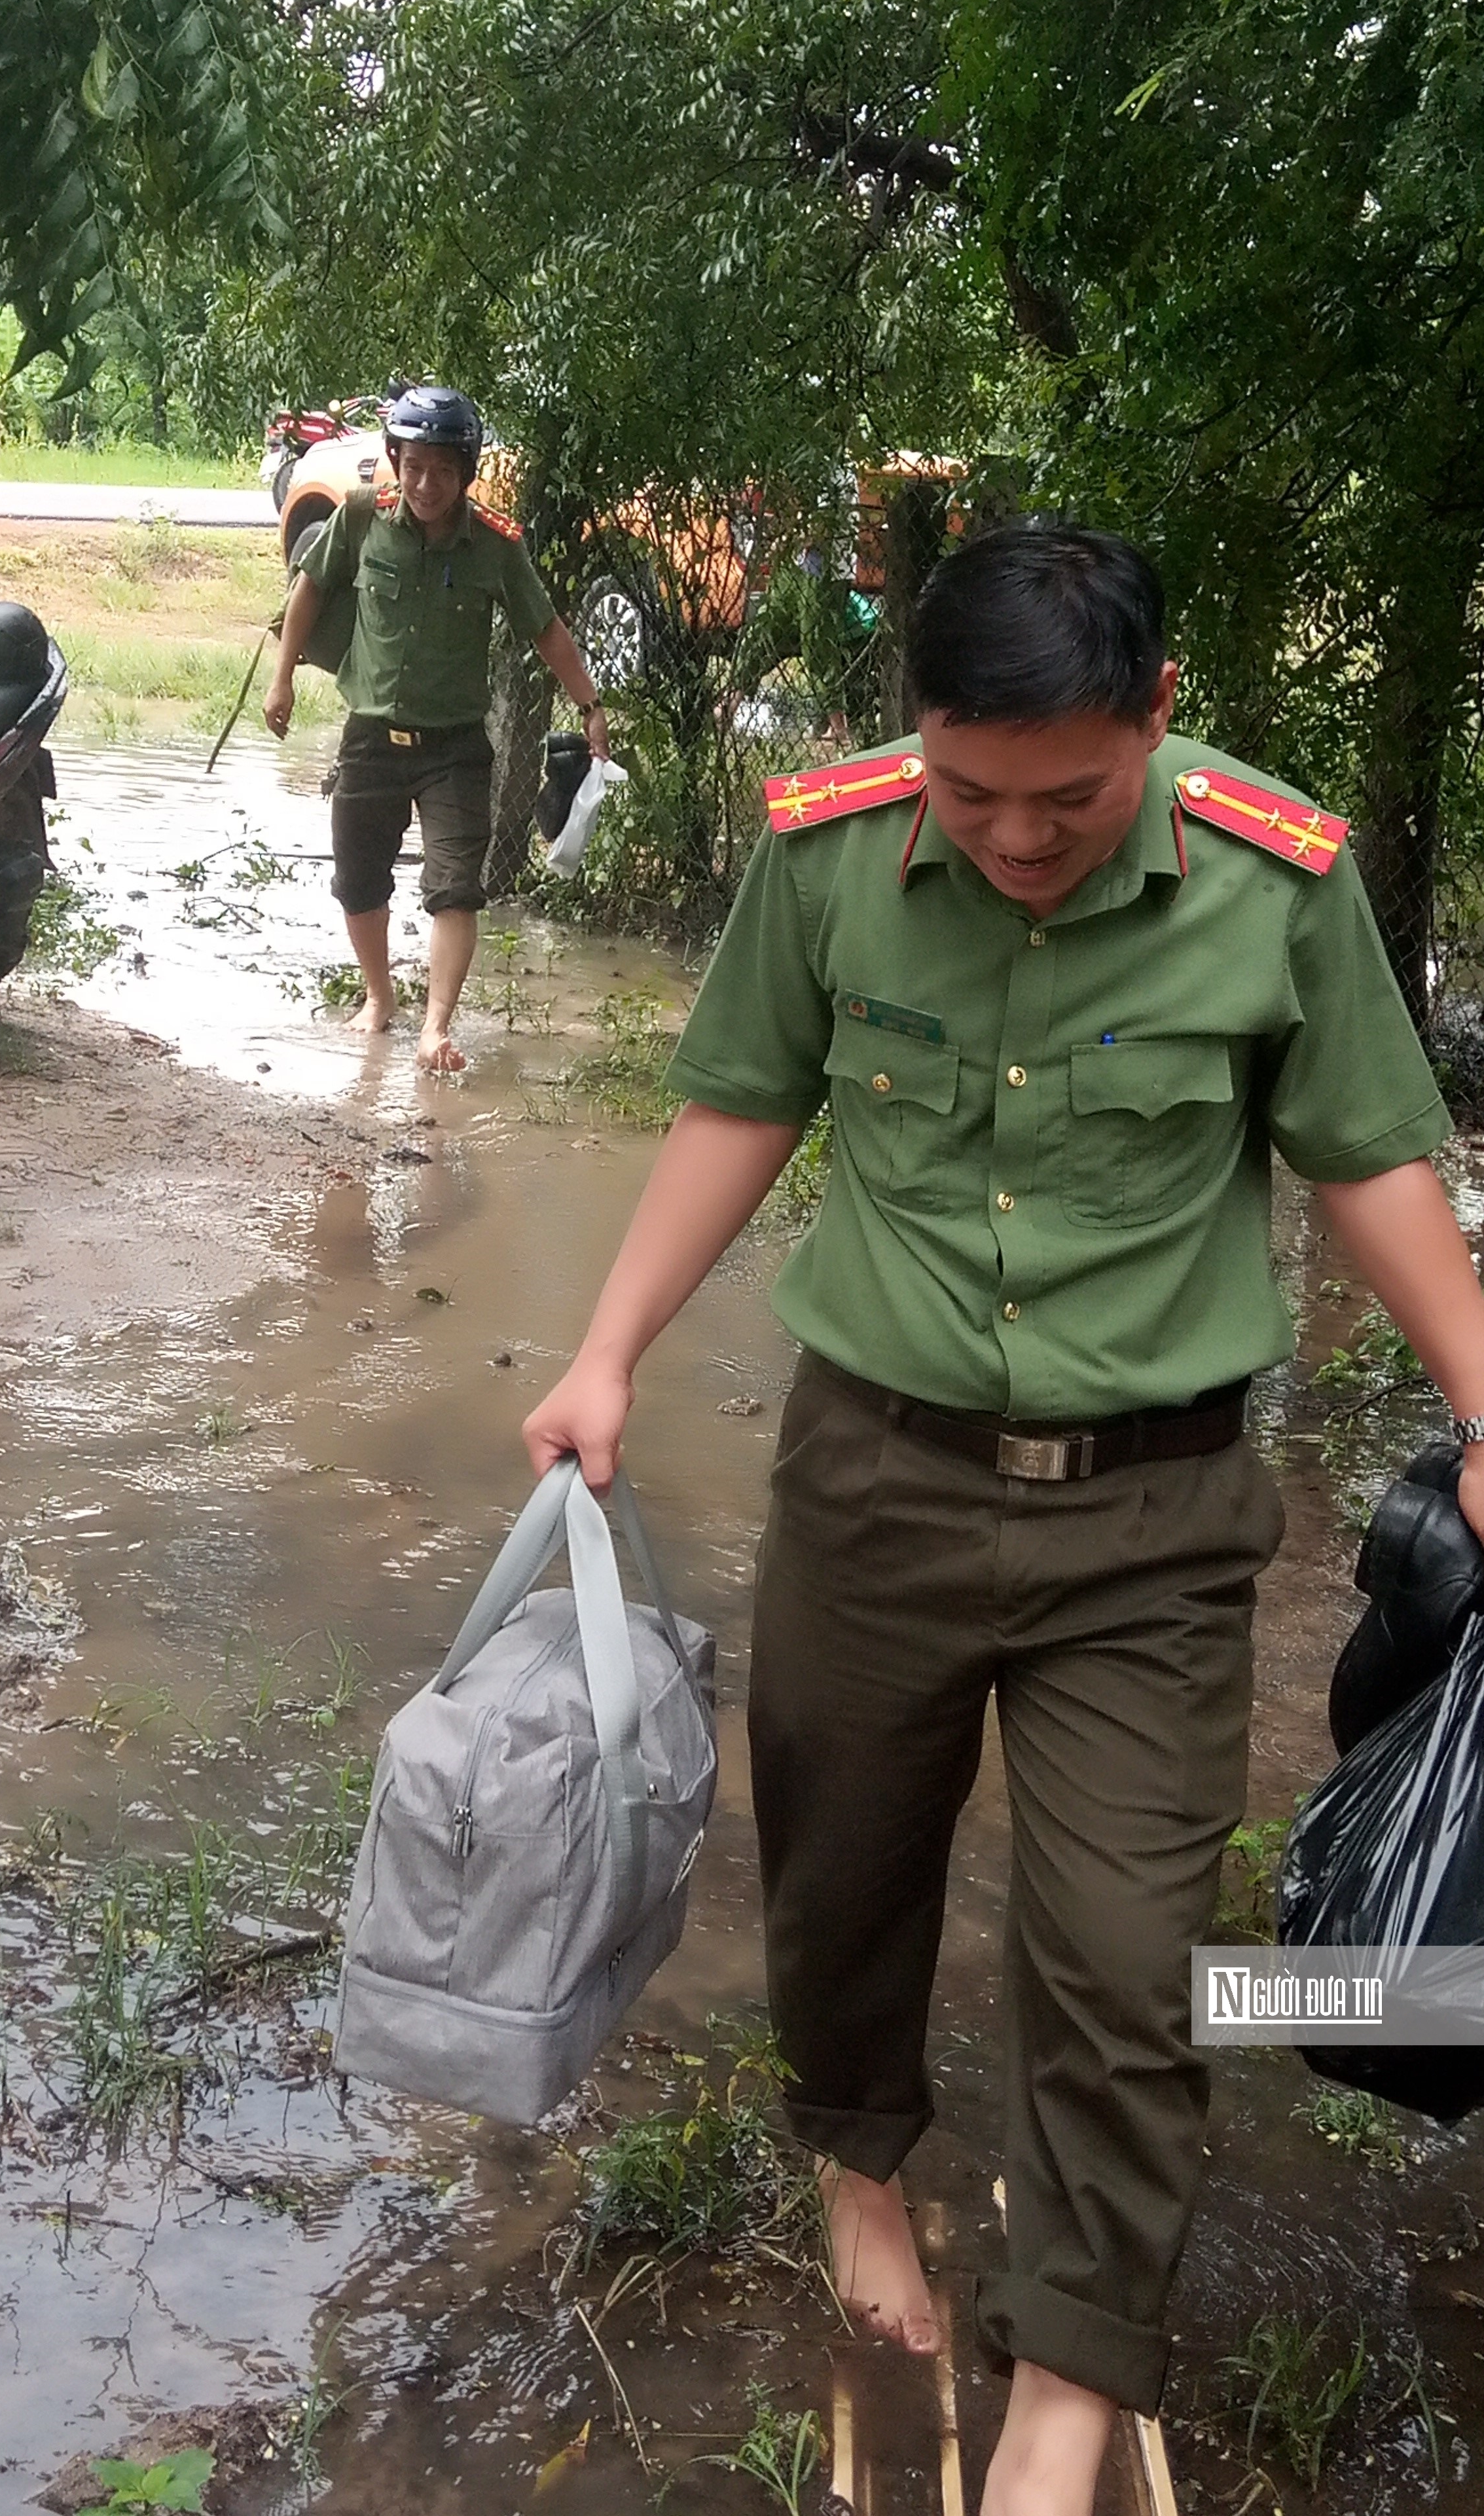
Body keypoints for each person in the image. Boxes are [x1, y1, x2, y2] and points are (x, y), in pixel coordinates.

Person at [521, 522, 1484, 2516]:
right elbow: (739, 1098)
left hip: (1147, 1518)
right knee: (840, 1864)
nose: (1013, 839)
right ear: (913, 735)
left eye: (1064, 796)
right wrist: (604, 1350)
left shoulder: (1270, 878)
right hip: (872, 1476)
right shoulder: (822, 852)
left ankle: (1067, 2362)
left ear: (1150, 716)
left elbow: (1370, 1154)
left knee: (1126, 1956)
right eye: (967, 794)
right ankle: (856, 2161)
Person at [263, 385, 607, 1072]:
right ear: (395, 459)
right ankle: (379, 997)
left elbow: (546, 630)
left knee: (455, 885)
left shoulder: (494, 547)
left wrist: (591, 705)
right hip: (370, 737)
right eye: (413, 466)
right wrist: (283, 676)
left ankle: (436, 1027)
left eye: (442, 471)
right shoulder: (362, 518)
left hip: (455, 748)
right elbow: (310, 590)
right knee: (358, 881)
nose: (425, 484)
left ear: (465, 472)